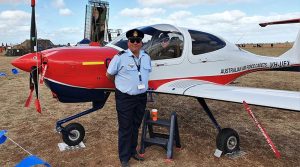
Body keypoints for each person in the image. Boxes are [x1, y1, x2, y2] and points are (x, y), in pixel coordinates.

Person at [106, 29, 152, 167]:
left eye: (138, 41)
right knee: (125, 128)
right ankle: (124, 158)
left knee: (135, 125)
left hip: (141, 97)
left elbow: (146, 73)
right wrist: (122, 84)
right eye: (132, 40)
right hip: (125, 98)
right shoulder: (119, 57)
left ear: (141, 43)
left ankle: (133, 151)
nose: (135, 43)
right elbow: (109, 75)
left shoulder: (146, 57)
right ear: (128, 42)